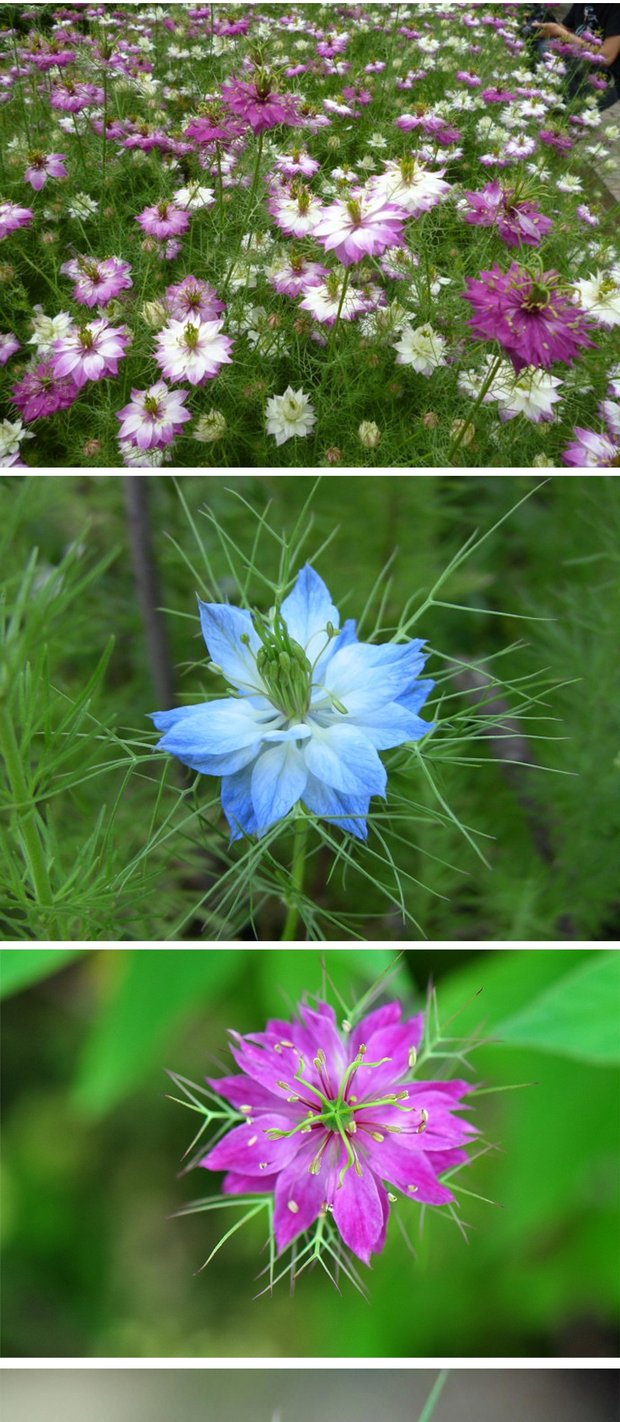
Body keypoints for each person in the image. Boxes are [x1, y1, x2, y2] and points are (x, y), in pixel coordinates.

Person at [534, 4, 620, 107]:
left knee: (546, 48)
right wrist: (540, 28)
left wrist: (561, 32)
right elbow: (564, 29)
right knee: (540, 44)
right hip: (579, 63)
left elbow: (606, 57)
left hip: (605, 80)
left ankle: (561, 106)